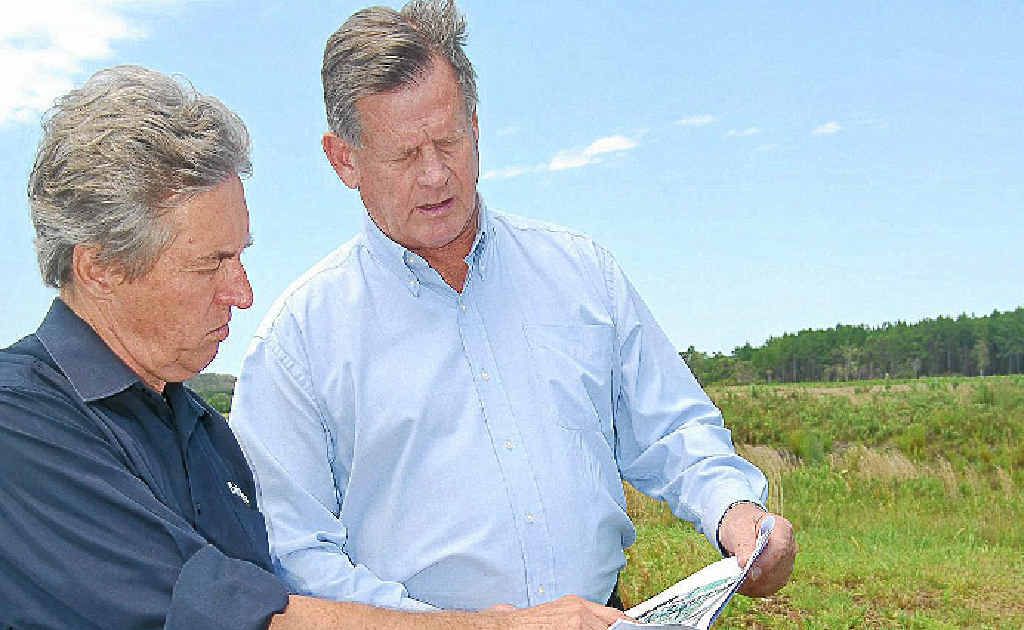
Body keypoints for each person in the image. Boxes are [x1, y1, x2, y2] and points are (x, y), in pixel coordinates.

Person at [0, 64, 626, 630]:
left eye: (240, 256)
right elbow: (237, 618)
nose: (241, 294)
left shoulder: (205, 437)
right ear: (101, 267)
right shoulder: (19, 426)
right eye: (210, 264)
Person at [230, 0, 797, 614]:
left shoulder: (583, 274)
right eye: (402, 154)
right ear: (344, 160)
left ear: (475, 124)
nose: (434, 174)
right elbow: (297, 558)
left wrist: (736, 514)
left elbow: (673, 429)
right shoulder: (297, 344)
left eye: (448, 140)